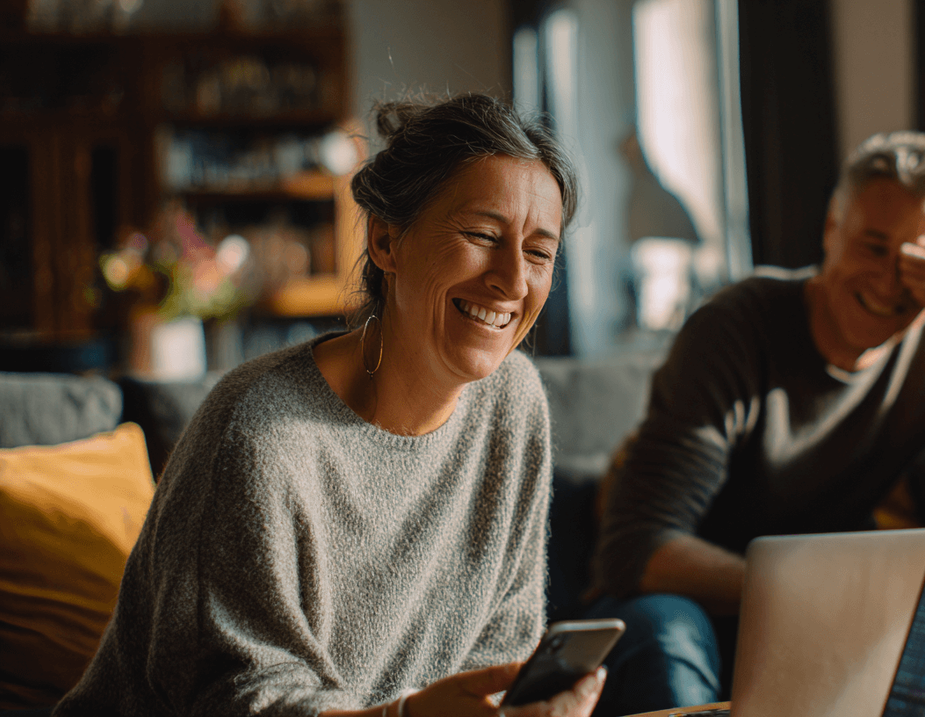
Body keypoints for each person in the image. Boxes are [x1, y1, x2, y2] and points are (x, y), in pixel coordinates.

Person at [51, 94, 604, 717]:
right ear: (387, 240)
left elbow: (503, 646)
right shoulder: (260, 430)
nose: (512, 280)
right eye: (481, 235)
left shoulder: (514, 404)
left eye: (539, 252)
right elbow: (231, 699)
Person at [586, 131, 925, 716]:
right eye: (873, 246)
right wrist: (823, 593)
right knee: (670, 633)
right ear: (831, 230)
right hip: (683, 603)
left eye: (917, 262)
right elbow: (637, 551)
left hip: (819, 615)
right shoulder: (736, 327)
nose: (888, 283)